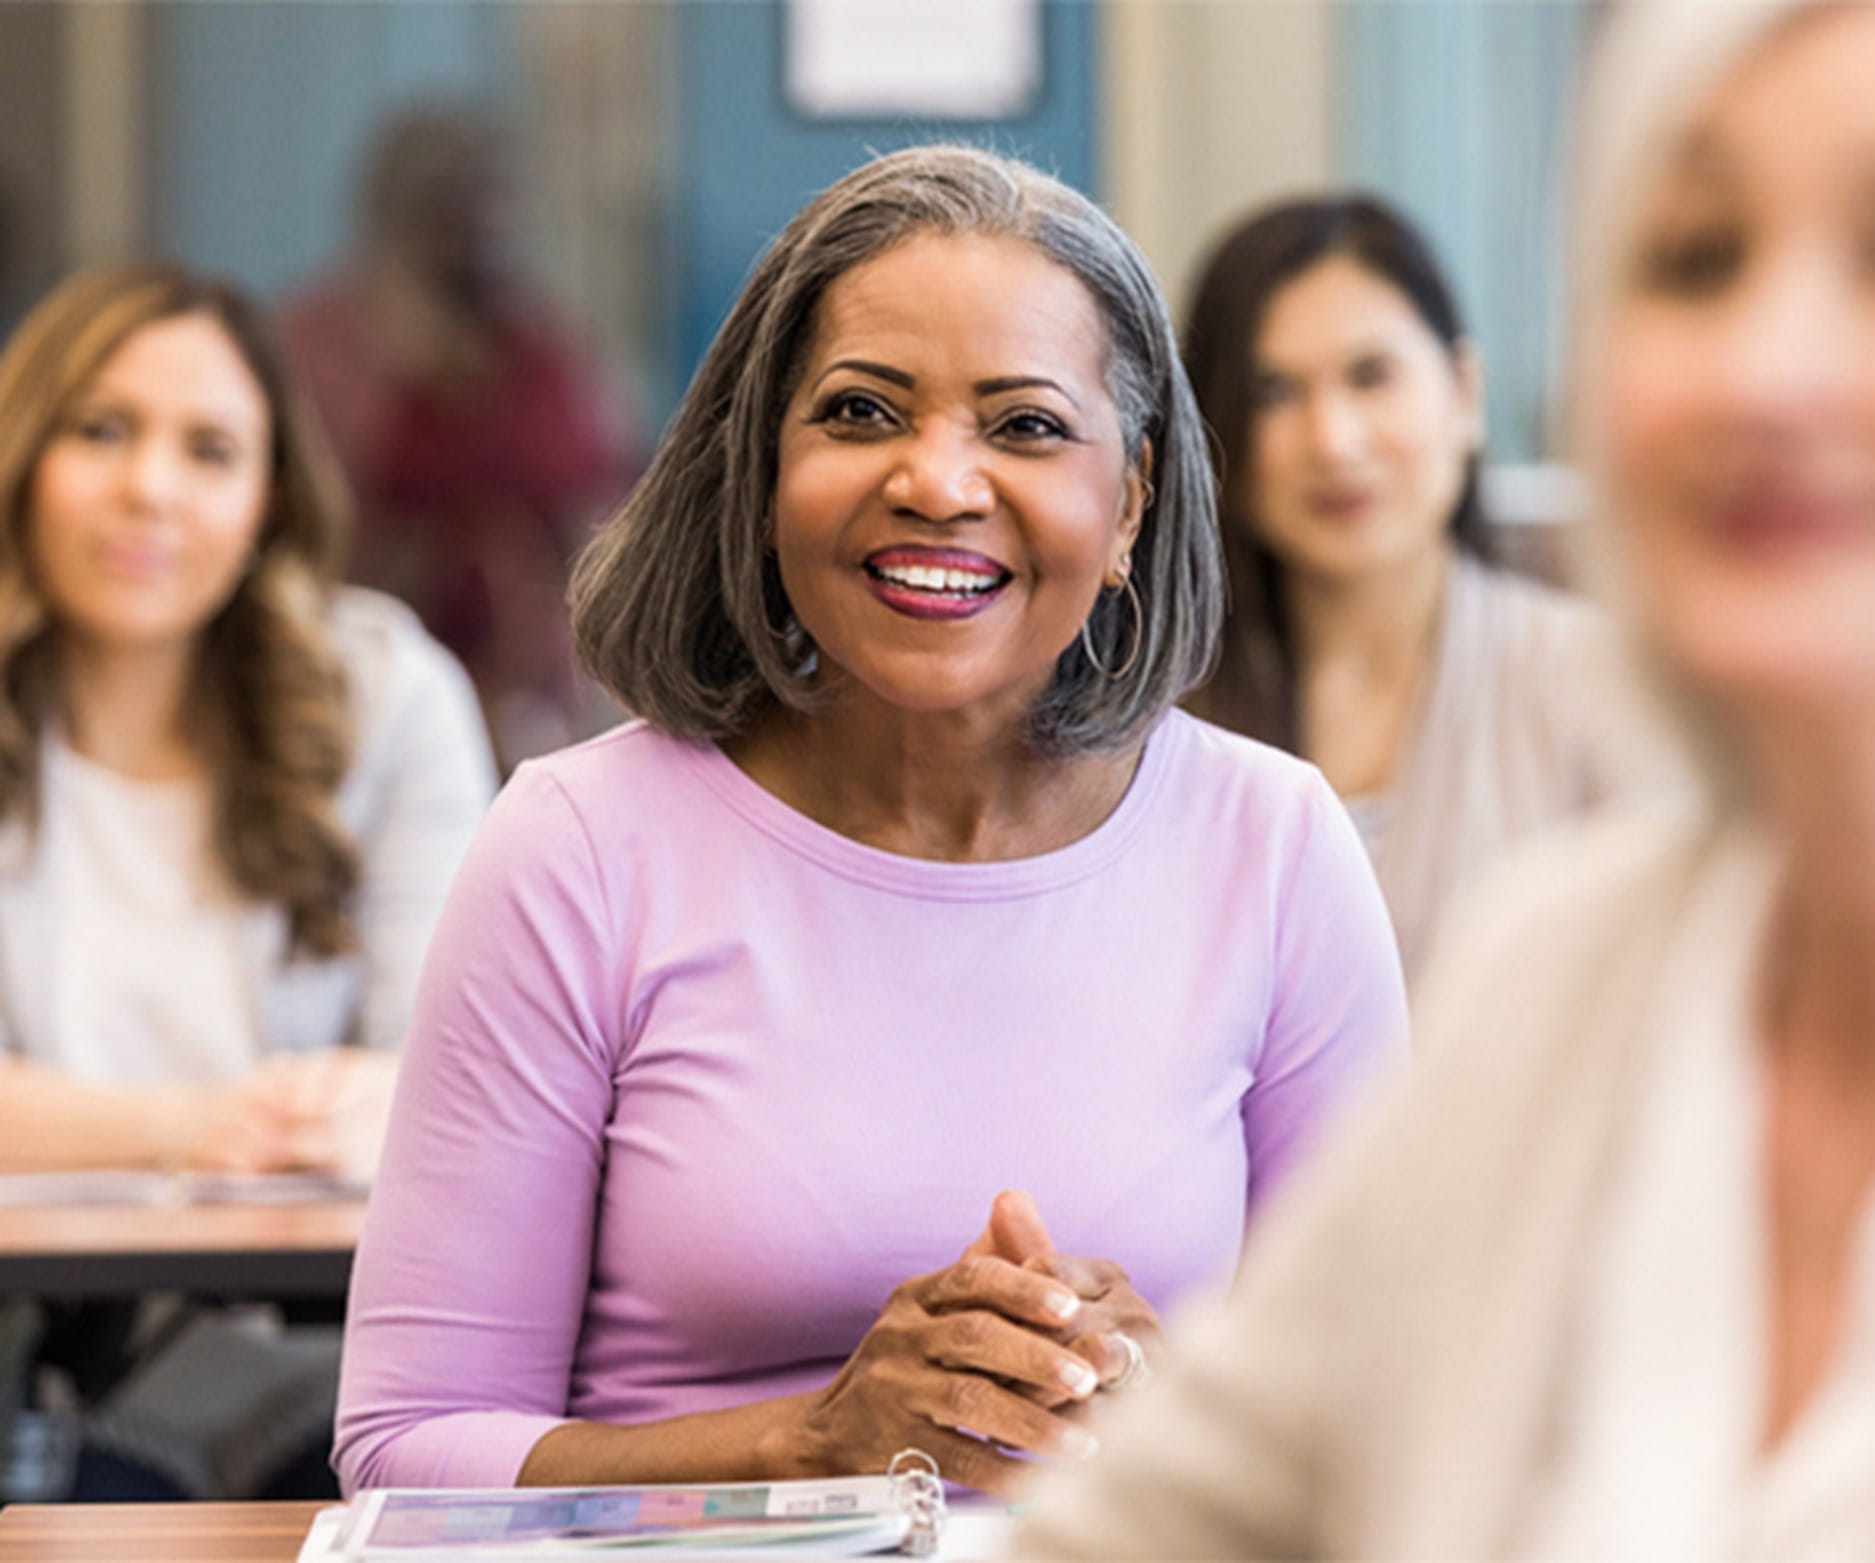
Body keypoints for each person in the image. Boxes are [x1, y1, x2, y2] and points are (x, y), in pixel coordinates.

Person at [333, 144, 1408, 1499]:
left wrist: (1176, 1404)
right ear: (762, 469)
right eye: (858, 412)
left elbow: (1396, 1425)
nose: (937, 483)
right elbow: (406, 1448)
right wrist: (816, 1441)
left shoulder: (1275, 844)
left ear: (1127, 500)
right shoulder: (576, 846)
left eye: (1023, 425)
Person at [1014, 0, 1875, 1554]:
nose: (1769, 366)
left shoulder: (1560, 710)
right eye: (1690, 258)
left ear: (1466, 397)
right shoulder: (1563, 972)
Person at [0, 263, 496, 1496]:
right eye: (101, 430)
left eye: (209, 449)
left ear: (269, 499)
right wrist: (203, 1129)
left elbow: (449, 1073)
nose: (149, 488)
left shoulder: (385, 697)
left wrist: (370, 1109)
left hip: (311, 1358)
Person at [1182, 195, 1642, 981]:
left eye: (1371, 376)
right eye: (1274, 394)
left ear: (1463, 393)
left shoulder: (1597, 682)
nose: (1332, 440)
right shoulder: (1159, 714)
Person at [280, 102, 636, 768]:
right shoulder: (317, 351)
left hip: (540, 704)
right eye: (448, 198)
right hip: (362, 689)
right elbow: (306, 537)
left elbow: (609, 504)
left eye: (494, 195)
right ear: (395, 212)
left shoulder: (544, 349)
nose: (479, 221)